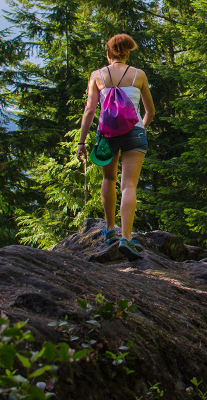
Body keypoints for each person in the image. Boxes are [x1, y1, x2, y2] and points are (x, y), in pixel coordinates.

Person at [77, 33, 155, 260]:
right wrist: (141, 126)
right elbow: (150, 111)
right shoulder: (139, 75)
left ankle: (110, 229)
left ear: (108, 52)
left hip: (107, 134)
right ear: (127, 52)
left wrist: (82, 142)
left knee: (108, 180)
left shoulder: (97, 75)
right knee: (128, 186)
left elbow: (90, 111)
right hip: (134, 133)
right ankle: (126, 239)